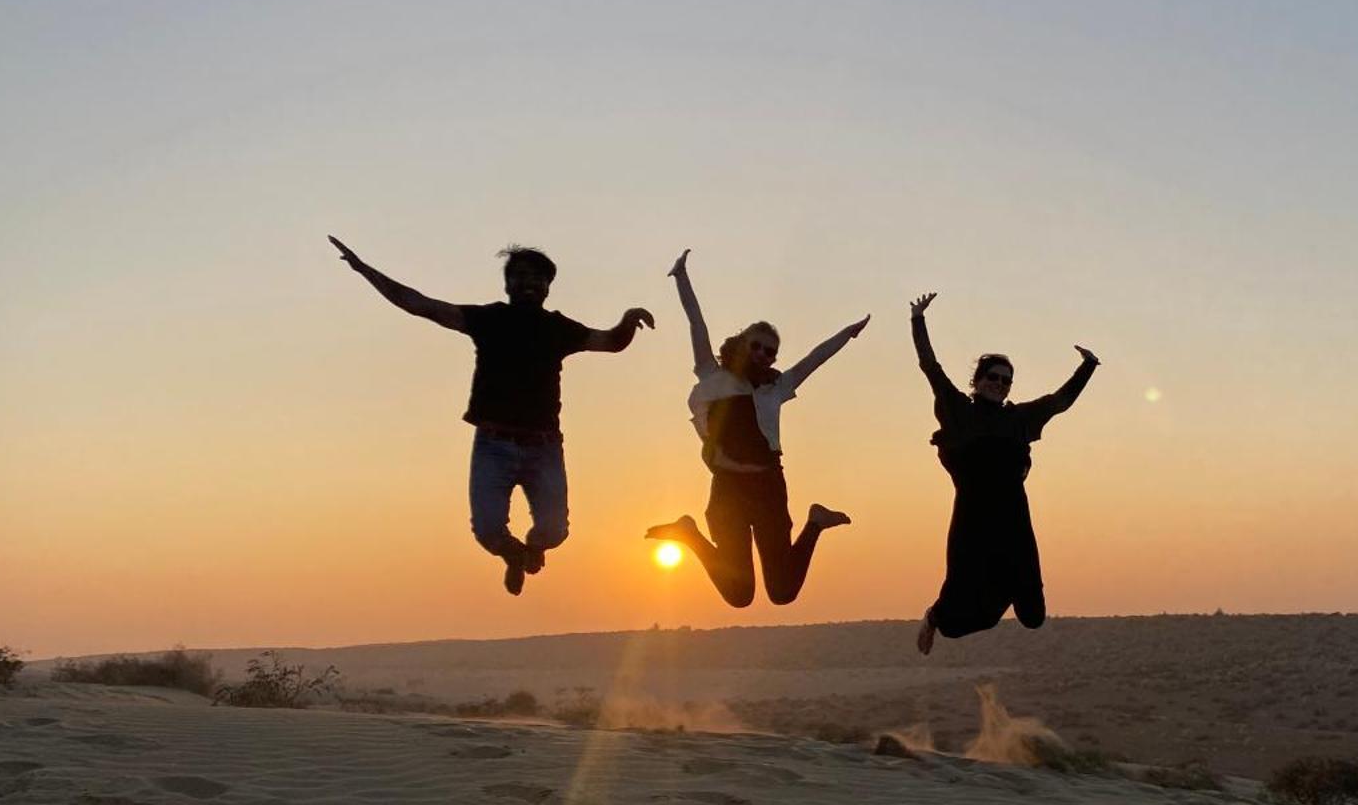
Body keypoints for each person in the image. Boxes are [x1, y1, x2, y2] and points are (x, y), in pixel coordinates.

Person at [329, 237, 653, 596]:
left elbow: (610, 342)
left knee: (554, 533)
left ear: (548, 286)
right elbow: (420, 305)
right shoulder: (489, 320)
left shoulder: (559, 329)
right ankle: (514, 555)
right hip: (493, 445)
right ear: (507, 284)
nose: (528, 283)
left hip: (543, 447)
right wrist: (364, 270)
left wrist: (629, 318)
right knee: (487, 531)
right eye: (519, 276)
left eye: (537, 278)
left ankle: (531, 550)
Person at [646, 249, 867, 607]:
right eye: (758, 346)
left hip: (768, 486)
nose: (763, 355)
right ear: (742, 343)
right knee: (739, 595)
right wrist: (681, 277)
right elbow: (696, 324)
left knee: (782, 593)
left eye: (770, 352)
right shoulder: (712, 375)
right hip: (728, 488)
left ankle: (815, 523)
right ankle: (688, 534)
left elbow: (815, 359)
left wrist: (848, 334)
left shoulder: (774, 388)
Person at [908, 291, 1098, 653]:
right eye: (993, 377)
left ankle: (1001, 586)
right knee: (964, 618)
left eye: (1006, 380)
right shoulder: (958, 411)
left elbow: (1060, 402)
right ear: (977, 380)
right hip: (972, 522)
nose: (999, 384)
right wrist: (918, 319)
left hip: (1014, 522)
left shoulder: (1019, 419)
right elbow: (929, 366)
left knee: (1033, 616)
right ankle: (934, 616)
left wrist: (1088, 365)